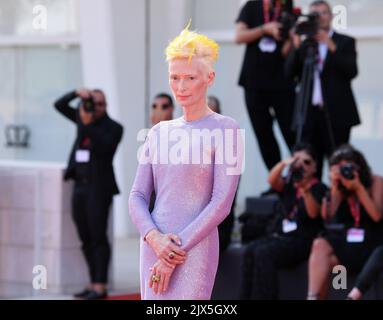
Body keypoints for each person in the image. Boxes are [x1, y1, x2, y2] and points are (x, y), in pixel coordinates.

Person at [128, 24, 243, 299]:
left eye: (190, 78)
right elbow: (137, 195)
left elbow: (221, 204)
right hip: (153, 246)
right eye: (174, 77)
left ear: (209, 78)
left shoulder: (227, 129)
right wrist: (155, 239)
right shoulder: (157, 132)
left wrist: (172, 253)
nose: (181, 87)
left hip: (196, 248)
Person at [54, 88, 123, 299]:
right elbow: (58, 105)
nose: (96, 107)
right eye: (93, 103)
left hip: (99, 188)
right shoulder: (81, 117)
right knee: (85, 237)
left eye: (101, 104)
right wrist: (76, 94)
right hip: (79, 186)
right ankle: (92, 282)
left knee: (98, 237)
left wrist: (88, 123)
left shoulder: (114, 127)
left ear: (106, 106)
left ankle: (100, 285)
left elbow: (105, 147)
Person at [240, 143, 327, 299]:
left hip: (303, 240)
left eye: (307, 162)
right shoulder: (289, 184)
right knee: (251, 249)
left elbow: (313, 213)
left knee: (264, 253)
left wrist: (305, 189)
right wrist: (285, 164)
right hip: (281, 237)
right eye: (298, 161)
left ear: (315, 167)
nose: (302, 166)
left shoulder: (319, 188)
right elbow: (272, 180)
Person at [285, 0, 360, 178]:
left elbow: (351, 71)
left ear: (331, 16)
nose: (319, 17)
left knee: (338, 162)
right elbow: (289, 73)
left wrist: (330, 45)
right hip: (310, 115)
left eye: (323, 13)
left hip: (337, 114)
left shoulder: (344, 41)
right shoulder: (306, 45)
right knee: (310, 165)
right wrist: (296, 45)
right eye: (315, 14)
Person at [307, 144, 383, 300]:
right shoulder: (340, 187)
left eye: (347, 167)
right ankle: (312, 297)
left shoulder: (375, 181)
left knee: (334, 267)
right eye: (339, 168)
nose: (345, 172)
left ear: (359, 167)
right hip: (346, 246)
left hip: (371, 245)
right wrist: (335, 187)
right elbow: (328, 218)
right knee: (320, 246)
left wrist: (358, 188)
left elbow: (376, 216)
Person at [235, 0, 296, 172]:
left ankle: (298, 181)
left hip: (282, 82)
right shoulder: (252, 6)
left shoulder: (288, 6)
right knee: (263, 134)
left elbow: (285, 51)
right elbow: (239, 37)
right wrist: (265, 29)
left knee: (291, 132)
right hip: (253, 81)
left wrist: (291, 38)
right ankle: (276, 180)